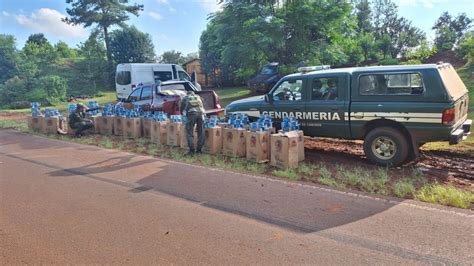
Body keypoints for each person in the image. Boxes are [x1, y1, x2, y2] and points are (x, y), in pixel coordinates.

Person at [180, 90, 205, 155]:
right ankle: (199, 150)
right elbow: (202, 104)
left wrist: (182, 114)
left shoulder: (186, 98)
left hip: (192, 114)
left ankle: (191, 150)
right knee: (201, 132)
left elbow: (181, 108)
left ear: (187, 94)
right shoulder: (198, 97)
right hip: (201, 114)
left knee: (189, 132)